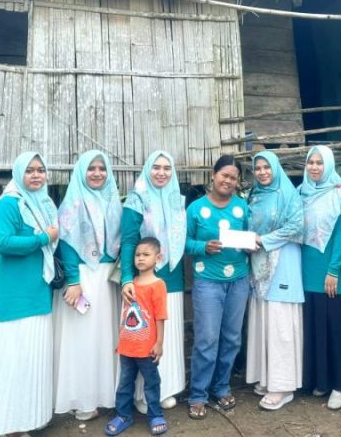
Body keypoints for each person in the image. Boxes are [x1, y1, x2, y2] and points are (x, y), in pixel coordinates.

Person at [0, 152, 59, 436]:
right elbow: (3, 243)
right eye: (30, 171)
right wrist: (42, 238)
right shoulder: (8, 205)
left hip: (36, 290)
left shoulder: (45, 204)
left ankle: (29, 419)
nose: (36, 175)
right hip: (11, 295)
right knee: (9, 361)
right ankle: (6, 423)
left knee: (31, 359)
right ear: (18, 174)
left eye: (40, 170)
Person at [53, 150, 122, 420]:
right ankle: (82, 400)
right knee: (82, 339)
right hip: (82, 277)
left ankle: (107, 394)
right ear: (81, 172)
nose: (97, 173)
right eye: (91, 168)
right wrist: (73, 281)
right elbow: (67, 243)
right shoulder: (72, 202)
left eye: (102, 168)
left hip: (107, 278)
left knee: (106, 338)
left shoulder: (113, 199)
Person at [185, 155, 252, 420]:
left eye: (233, 178)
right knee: (206, 339)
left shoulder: (242, 208)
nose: (228, 181)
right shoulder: (196, 209)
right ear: (213, 176)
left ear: (237, 182)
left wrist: (252, 243)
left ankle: (221, 386)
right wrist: (203, 247)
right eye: (224, 175)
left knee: (232, 338)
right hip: (207, 282)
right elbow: (184, 243)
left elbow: (251, 237)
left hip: (238, 280)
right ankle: (198, 394)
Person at [121, 150, 186, 413]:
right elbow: (127, 240)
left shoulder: (175, 200)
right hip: (144, 282)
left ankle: (166, 389)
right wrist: (127, 277)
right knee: (143, 336)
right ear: (148, 169)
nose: (161, 173)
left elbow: (181, 239)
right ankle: (143, 396)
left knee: (165, 335)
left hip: (172, 276)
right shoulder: (136, 200)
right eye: (156, 167)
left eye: (167, 168)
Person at [298, 145, 341, 411]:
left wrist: (334, 270)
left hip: (335, 271)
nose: (314, 167)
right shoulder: (301, 193)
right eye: (310, 162)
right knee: (317, 326)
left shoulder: (340, 193)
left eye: (319, 163)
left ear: (329, 165)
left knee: (337, 327)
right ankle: (322, 379)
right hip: (308, 269)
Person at [246, 151, 305, 411]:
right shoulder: (254, 195)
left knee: (280, 322)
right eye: (257, 168)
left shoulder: (288, 194)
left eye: (266, 167)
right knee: (264, 319)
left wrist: (263, 241)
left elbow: (297, 226)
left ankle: (283, 385)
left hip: (283, 262)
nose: (262, 172)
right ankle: (267, 377)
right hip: (258, 264)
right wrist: (249, 241)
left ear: (276, 169)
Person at [105, 237, 168, 436]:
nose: (140, 258)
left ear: (158, 258)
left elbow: (160, 316)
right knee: (124, 383)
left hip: (147, 348)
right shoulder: (129, 284)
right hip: (126, 346)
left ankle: (155, 415)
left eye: (146, 255)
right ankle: (123, 415)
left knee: (151, 382)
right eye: (138, 255)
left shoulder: (158, 285)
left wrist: (159, 343)